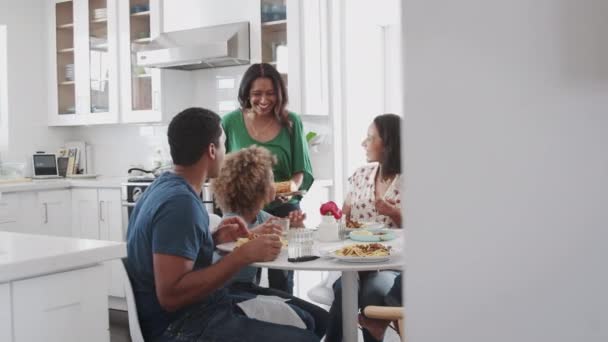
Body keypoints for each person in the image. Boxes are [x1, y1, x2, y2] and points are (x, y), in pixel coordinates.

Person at [125, 107, 325, 342]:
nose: (226, 151)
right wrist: (240, 256)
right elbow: (171, 296)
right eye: (223, 144)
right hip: (183, 325)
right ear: (211, 150)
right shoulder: (179, 204)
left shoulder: (164, 187)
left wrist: (215, 239)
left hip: (202, 309)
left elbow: (175, 252)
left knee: (318, 320)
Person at [211, 145, 326, 337]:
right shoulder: (230, 222)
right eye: (272, 179)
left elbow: (291, 242)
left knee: (323, 319)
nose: (276, 183)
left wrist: (296, 228)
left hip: (249, 288)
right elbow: (224, 255)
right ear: (256, 187)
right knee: (307, 321)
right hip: (228, 293)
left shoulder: (263, 217)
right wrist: (253, 234)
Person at [222, 62, 314, 294]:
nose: (264, 100)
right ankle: (247, 323)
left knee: (282, 277)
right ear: (246, 94)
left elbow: (300, 170)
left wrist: (290, 188)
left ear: (280, 94)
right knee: (243, 275)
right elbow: (222, 170)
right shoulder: (230, 122)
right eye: (257, 94)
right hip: (243, 212)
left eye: (271, 93)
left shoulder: (292, 122)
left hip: (284, 210)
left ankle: (287, 322)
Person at [326, 113, 403, 342]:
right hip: (357, 261)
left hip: (393, 265)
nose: (363, 143)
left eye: (370, 138)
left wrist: (395, 214)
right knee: (343, 290)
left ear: (389, 143)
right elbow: (344, 218)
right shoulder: (361, 174)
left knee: (373, 293)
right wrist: (335, 216)